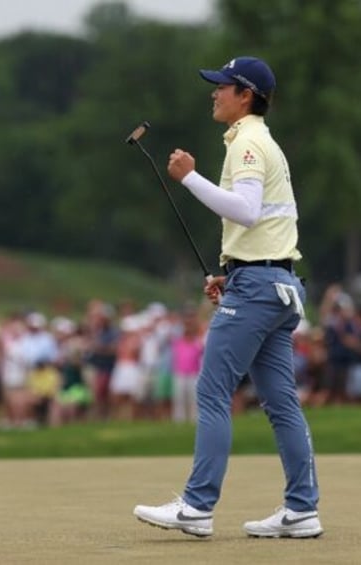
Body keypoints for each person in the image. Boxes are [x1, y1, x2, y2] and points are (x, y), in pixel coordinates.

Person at [133, 56, 322, 539]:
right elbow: (261, 226)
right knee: (281, 403)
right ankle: (302, 509)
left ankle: (197, 506)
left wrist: (189, 178)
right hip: (270, 284)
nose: (214, 93)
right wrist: (232, 274)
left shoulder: (250, 143)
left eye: (222, 86)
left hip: (259, 288)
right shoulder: (256, 140)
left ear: (245, 94)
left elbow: (248, 211)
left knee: (213, 390)